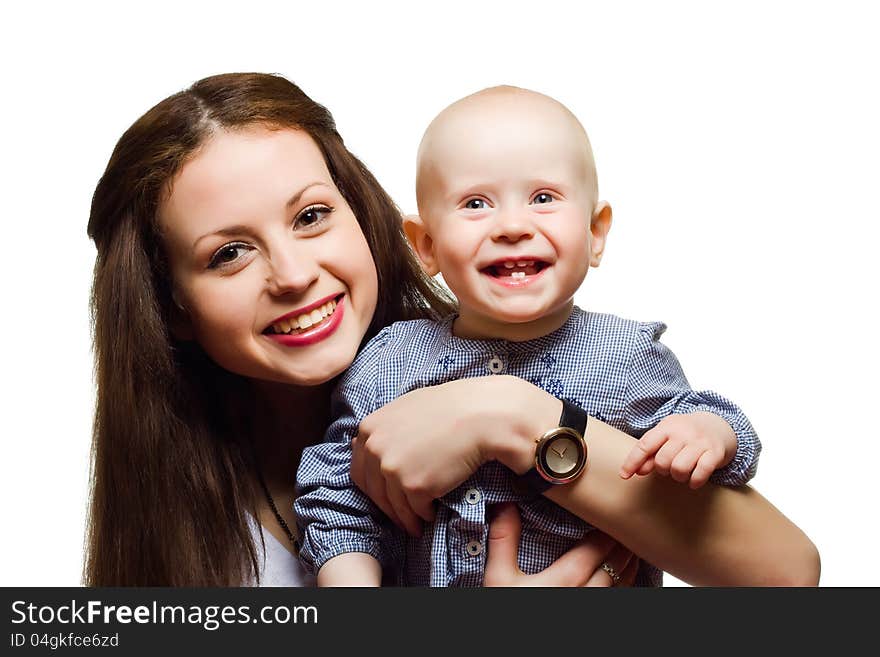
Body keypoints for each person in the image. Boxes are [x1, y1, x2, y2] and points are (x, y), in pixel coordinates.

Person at [85, 72, 819, 587]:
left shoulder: (606, 354)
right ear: (170, 305)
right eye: (228, 253)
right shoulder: (177, 530)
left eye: (311, 216)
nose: (292, 273)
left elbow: (788, 574)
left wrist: (505, 415)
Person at [295, 86, 763, 586]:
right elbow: (338, 494)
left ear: (595, 233)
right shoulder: (390, 361)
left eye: (543, 198)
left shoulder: (627, 358)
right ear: (426, 246)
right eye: (475, 203)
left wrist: (710, 435)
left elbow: (712, 452)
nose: (513, 226)